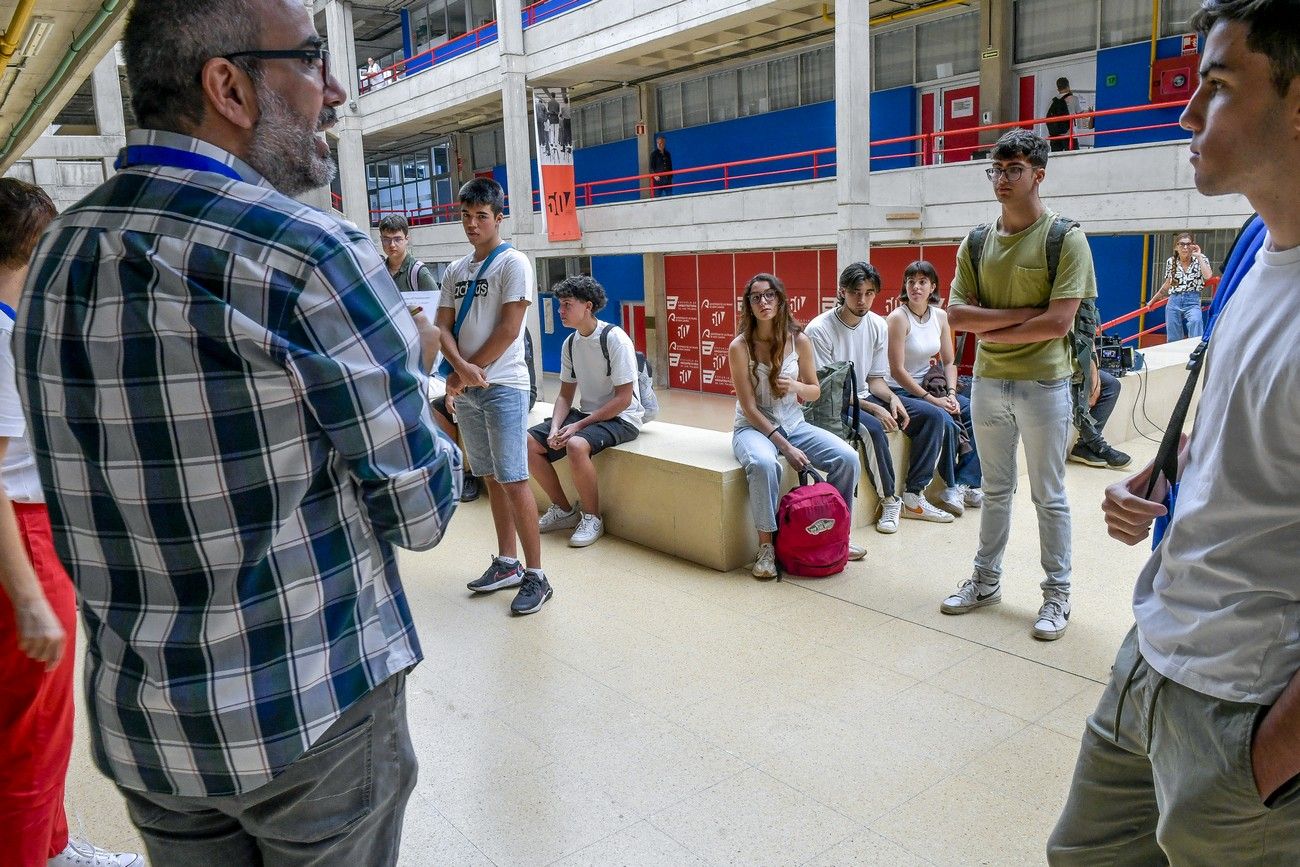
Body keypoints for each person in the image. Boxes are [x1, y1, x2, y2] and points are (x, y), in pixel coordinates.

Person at [15, 2, 462, 863]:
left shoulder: (57, 257)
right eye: (310, 59)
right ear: (228, 86)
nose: (333, 89)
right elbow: (425, 510)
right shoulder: (309, 255)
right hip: (309, 718)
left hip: (146, 729)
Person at [1049, 1, 1300, 861]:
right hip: (1153, 656)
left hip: (1246, 710)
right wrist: (1166, 477)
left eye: (1218, 85)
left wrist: (1271, 758)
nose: (1187, 113)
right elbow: (1244, 432)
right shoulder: (1250, 251)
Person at [0, 182, 144, 867]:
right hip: (18, 543)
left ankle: (50, 845)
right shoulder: (3, 338)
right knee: (32, 732)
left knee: (29, 722)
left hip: (31, 533)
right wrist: (29, 595)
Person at [939, 128, 1097, 641]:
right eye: (997, 169)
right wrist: (1026, 314)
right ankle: (985, 582)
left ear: (1038, 175)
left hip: (1044, 385)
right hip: (988, 384)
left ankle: (1057, 595)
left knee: (1049, 495)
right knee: (995, 490)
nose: (1002, 179)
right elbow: (956, 315)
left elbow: (1059, 324)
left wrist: (996, 325)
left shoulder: (1064, 238)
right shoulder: (977, 241)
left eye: (1014, 170)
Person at [438, 177, 553, 614]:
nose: (471, 224)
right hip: (468, 388)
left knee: (513, 477)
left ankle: (537, 575)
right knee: (489, 476)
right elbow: (443, 328)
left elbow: (509, 330)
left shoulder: (514, 264)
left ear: (497, 218)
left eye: (481, 217)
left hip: (503, 386)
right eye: (465, 216)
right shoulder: (455, 270)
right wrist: (462, 371)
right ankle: (507, 563)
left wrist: (466, 373)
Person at [731, 273, 866, 579]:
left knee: (848, 458)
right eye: (756, 297)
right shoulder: (740, 347)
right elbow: (749, 408)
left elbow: (814, 390)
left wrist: (795, 385)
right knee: (765, 464)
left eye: (769, 295)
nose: (763, 302)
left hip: (795, 422)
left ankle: (839, 534)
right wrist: (786, 447)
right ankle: (766, 547)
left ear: (780, 299)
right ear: (748, 305)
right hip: (752, 427)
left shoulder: (799, 340)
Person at [806, 262, 955, 534]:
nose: (862, 300)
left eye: (869, 293)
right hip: (831, 403)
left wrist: (892, 399)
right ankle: (890, 500)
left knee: (934, 416)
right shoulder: (820, 329)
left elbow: (875, 380)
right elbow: (828, 391)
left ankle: (914, 495)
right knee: (873, 429)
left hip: (865, 395)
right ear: (842, 291)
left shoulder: (877, 324)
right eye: (855, 292)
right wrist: (874, 409)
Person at [527, 275, 643, 548]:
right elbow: (565, 395)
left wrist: (578, 427)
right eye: (560, 305)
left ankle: (592, 517)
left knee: (577, 445)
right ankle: (564, 509)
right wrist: (556, 428)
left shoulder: (614, 339)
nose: (560, 311)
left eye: (567, 305)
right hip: (589, 414)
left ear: (588, 306)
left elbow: (624, 399)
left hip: (622, 417)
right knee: (529, 442)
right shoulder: (571, 344)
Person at [885, 260, 984, 516]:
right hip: (903, 390)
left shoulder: (940, 316)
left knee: (975, 411)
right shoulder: (898, 318)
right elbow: (897, 370)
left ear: (933, 287)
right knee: (945, 420)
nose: (916, 287)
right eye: (911, 282)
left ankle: (965, 482)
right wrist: (933, 400)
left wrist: (950, 394)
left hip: (934, 386)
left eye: (922, 282)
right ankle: (947, 486)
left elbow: (949, 362)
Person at [378, 213, 442, 372]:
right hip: (389, 348)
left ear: (407, 239)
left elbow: (437, 310)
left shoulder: (418, 272)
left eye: (397, 239)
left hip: (418, 350)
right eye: (386, 239)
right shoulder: (379, 271)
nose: (392, 244)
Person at [1068, 354, 1132, 469]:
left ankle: (1083, 445)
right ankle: (1098, 445)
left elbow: (1090, 345)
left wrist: (1095, 381)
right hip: (1054, 368)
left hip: (1076, 366)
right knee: (1072, 389)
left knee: (1111, 385)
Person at [1151, 231, 1215, 341]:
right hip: (1174, 300)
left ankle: (1195, 355)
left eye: (1188, 244)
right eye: (1182, 244)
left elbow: (1208, 276)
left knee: (1196, 323)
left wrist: (1199, 256)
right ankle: (1175, 358)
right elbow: (1167, 284)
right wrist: (1153, 300)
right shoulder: (1171, 261)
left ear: (1192, 246)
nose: (1185, 247)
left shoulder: (1200, 259)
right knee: (1173, 336)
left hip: (1192, 300)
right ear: (1176, 247)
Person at [1046, 77, 1081, 152]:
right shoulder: (1074, 99)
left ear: (1058, 89)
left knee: (1056, 158)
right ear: (1068, 86)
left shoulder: (1053, 101)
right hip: (1069, 134)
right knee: (1074, 158)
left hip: (1055, 136)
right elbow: (1079, 113)